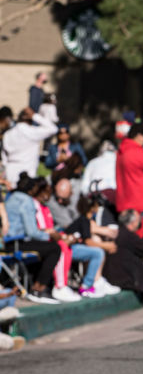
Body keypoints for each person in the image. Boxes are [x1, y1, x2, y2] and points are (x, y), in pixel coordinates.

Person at [3, 175, 63, 303]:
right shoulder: (26, 201)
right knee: (54, 248)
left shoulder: (11, 198)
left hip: (8, 243)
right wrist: (50, 235)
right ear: (31, 189)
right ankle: (39, 288)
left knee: (44, 247)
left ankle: (36, 286)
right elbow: (31, 231)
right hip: (17, 243)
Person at [2, 108, 58, 182]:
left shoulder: (7, 134)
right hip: (27, 172)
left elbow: (4, 157)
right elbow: (53, 129)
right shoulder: (32, 131)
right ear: (30, 119)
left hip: (10, 172)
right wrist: (35, 116)